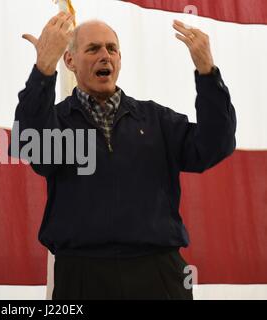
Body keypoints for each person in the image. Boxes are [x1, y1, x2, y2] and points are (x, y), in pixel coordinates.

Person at [12, 12, 236, 299]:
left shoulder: (157, 119)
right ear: (69, 61)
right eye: (93, 49)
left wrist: (207, 73)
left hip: (159, 274)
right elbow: (36, 151)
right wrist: (43, 69)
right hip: (81, 276)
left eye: (111, 48)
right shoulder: (57, 121)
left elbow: (216, 145)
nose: (105, 56)